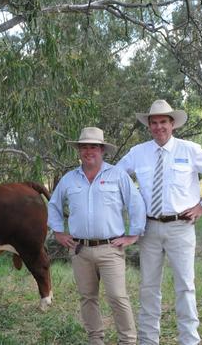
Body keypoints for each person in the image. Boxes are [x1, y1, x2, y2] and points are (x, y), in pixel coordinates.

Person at [117, 99, 202, 344]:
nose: (159, 127)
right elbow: (117, 176)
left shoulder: (188, 149)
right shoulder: (138, 152)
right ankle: (148, 340)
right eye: (154, 123)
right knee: (148, 287)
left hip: (181, 227)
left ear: (172, 124)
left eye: (163, 122)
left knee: (185, 286)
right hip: (148, 228)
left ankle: (189, 340)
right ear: (149, 126)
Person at [48, 127, 146, 345]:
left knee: (118, 297)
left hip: (110, 249)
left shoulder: (117, 175)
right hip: (80, 250)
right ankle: (95, 340)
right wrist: (58, 231)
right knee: (87, 298)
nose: (88, 151)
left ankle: (128, 341)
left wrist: (133, 235)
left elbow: (136, 203)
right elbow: (53, 205)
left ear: (102, 150)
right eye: (84, 147)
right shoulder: (69, 179)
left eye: (93, 146)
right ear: (79, 151)